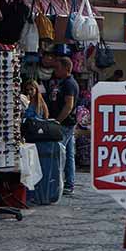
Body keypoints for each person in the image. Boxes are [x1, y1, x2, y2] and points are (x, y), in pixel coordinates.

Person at [47, 56, 79, 195]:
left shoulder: (69, 84)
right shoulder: (62, 82)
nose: (55, 70)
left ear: (66, 68)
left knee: (59, 153)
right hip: (65, 124)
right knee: (69, 154)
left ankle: (59, 183)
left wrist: (58, 121)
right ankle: (69, 183)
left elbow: (69, 105)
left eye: (58, 67)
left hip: (65, 124)